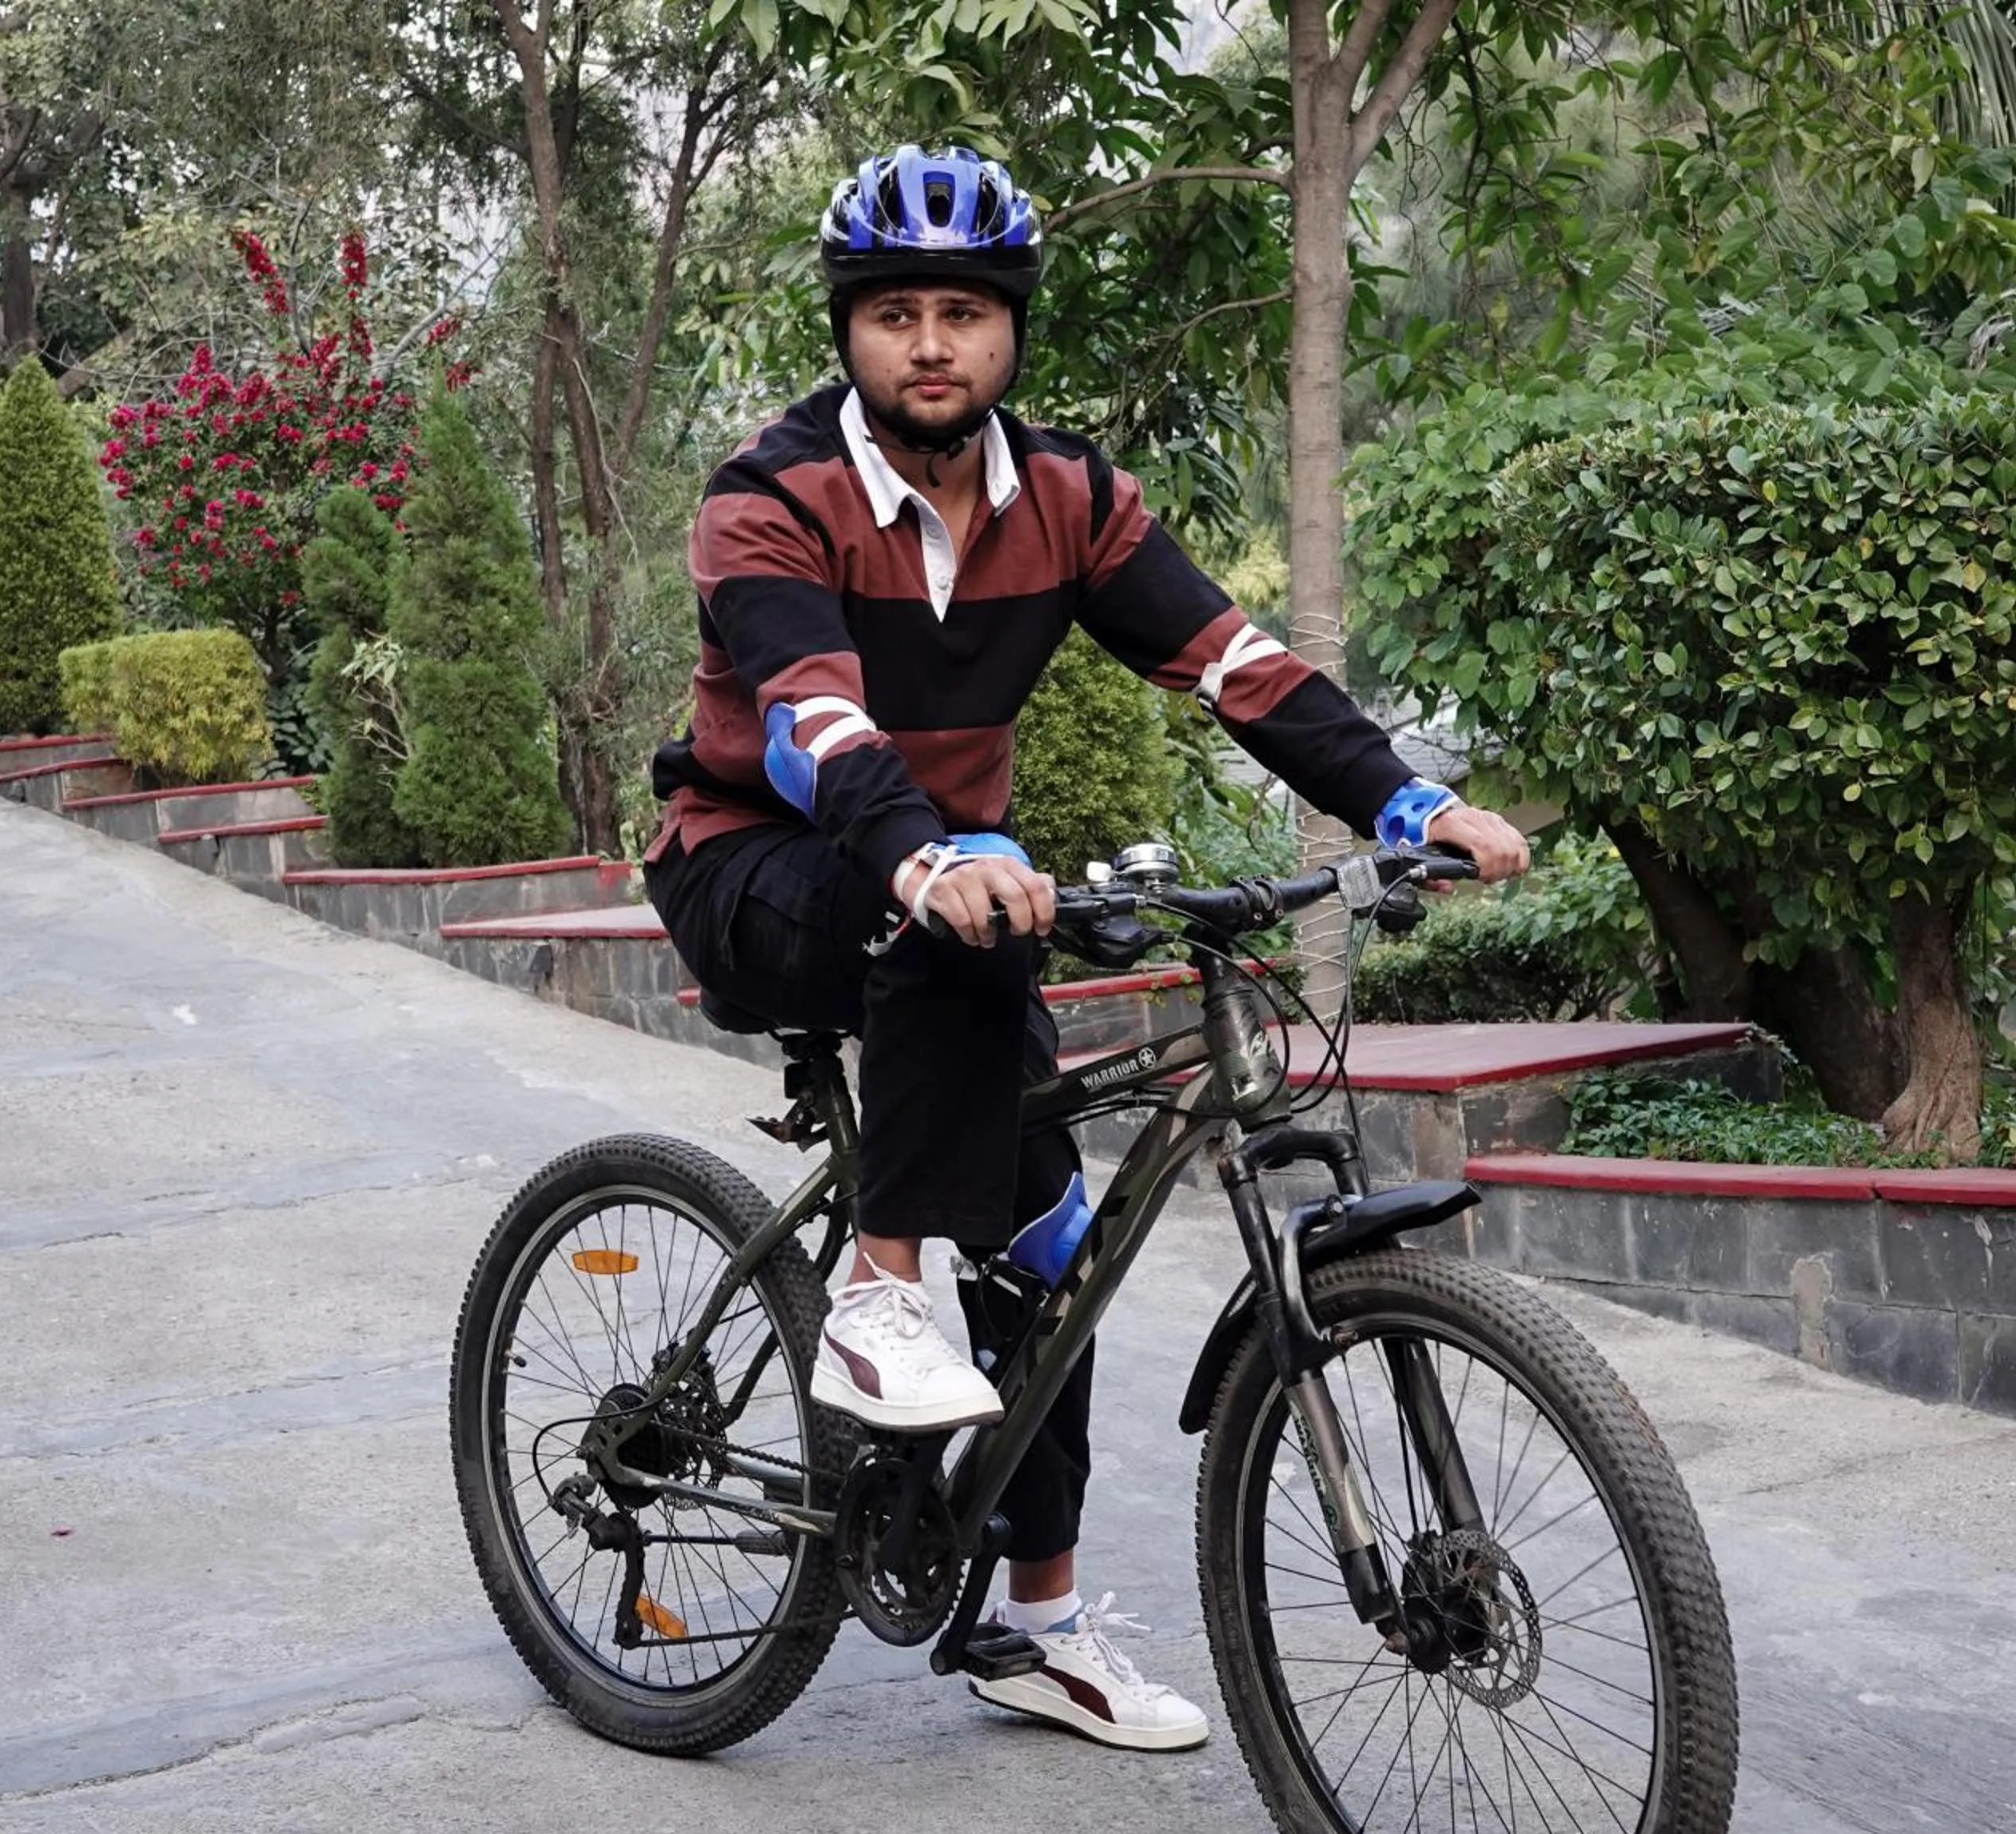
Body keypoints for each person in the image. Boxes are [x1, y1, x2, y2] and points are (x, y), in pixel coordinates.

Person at [644, 143, 1529, 1752]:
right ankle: (879, 1287)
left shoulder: (1070, 497)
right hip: (754, 867)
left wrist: (1408, 801)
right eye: (898, 312)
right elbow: (809, 721)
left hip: (957, 898)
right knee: (964, 910)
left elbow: (1235, 664)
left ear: (1010, 332)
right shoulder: (767, 499)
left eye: (966, 313)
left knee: (1053, 1255)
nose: (933, 344)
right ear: (850, 331)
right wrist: (921, 850)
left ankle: (1034, 1627)